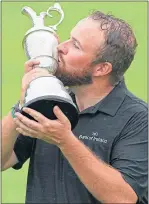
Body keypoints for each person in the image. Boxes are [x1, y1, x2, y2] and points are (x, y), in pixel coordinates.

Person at [2, 11, 148, 204]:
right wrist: (23, 102)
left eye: (75, 45)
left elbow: (122, 198)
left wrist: (65, 141)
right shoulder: (47, 100)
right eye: (68, 39)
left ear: (102, 68)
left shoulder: (138, 119)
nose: (61, 47)